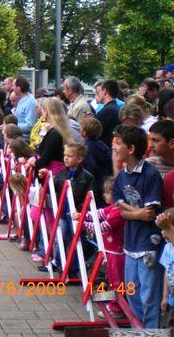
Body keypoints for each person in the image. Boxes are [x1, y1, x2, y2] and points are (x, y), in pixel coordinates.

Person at [111, 125, 163, 329]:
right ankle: (138, 330)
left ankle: (150, 332)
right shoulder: (123, 175)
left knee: (149, 295)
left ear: (130, 149)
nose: (114, 148)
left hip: (148, 244)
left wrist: (132, 212)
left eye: (118, 143)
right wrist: (135, 212)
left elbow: (149, 213)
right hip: (130, 243)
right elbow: (120, 206)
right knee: (132, 292)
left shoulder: (150, 175)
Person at [72, 176, 125, 318]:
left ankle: (117, 308)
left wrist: (82, 223)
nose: (104, 195)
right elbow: (97, 214)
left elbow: (102, 227)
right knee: (111, 279)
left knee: (116, 281)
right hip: (110, 251)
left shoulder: (118, 212)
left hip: (116, 253)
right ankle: (114, 303)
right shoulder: (112, 208)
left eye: (108, 192)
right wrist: (82, 215)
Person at [43, 143, 93, 274]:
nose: (65, 158)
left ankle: (73, 267)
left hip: (76, 213)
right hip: (62, 212)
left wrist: (81, 210)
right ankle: (59, 263)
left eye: (69, 156)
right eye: (64, 155)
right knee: (60, 238)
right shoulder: (61, 174)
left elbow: (90, 196)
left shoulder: (87, 177)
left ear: (80, 159)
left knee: (77, 239)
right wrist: (43, 178)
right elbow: (50, 189)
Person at [81, 117, 113, 207]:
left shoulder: (86, 148)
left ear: (84, 132)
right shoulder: (103, 145)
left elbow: (89, 169)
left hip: (95, 189)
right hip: (105, 184)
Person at [96, 80, 122, 148]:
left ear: (104, 91)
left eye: (99, 91)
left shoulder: (107, 111)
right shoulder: (115, 108)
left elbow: (95, 133)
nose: (98, 94)